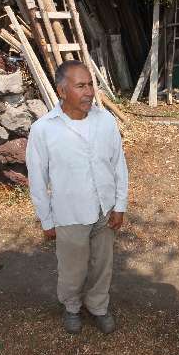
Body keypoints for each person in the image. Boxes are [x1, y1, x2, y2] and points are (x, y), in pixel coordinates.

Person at [26, 60, 129, 335]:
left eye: (90, 85)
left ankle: (98, 306)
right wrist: (46, 220)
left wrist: (119, 205)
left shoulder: (105, 120)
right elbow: (37, 179)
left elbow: (118, 164)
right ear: (62, 90)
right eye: (80, 86)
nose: (89, 92)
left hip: (104, 211)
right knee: (72, 269)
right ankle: (71, 307)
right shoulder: (43, 129)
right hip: (69, 214)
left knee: (102, 265)